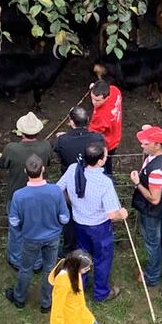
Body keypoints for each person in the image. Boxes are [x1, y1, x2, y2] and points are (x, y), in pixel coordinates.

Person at [57, 142, 128, 302]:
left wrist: (70, 202)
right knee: (102, 258)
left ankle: (79, 288)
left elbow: (57, 189)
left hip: (79, 223)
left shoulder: (72, 169)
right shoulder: (104, 182)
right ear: (100, 161)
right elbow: (111, 215)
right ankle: (101, 293)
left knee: (82, 255)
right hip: (99, 227)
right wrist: (122, 214)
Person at [5, 155, 70, 310]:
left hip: (30, 238)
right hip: (53, 237)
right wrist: (57, 225)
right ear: (43, 169)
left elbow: (13, 221)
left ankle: (19, 298)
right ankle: (46, 303)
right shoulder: (55, 191)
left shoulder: (19, 195)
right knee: (49, 269)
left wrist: (22, 230)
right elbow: (65, 217)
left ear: (25, 171)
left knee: (25, 268)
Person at [0, 112, 53, 271]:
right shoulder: (45, 146)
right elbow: (49, 161)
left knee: (15, 229)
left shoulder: (11, 148)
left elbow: (2, 164)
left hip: (16, 197)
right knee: (38, 229)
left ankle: (16, 260)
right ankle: (37, 263)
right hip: (39, 196)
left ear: (21, 131)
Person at [53, 106, 106, 254]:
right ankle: (94, 246)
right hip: (93, 182)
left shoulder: (62, 141)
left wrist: (61, 137)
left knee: (70, 216)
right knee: (94, 213)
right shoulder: (97, 138)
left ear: (71, 122)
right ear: (87, 121)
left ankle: (70, 248)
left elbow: (56, 148)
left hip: (70, 184)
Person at [131, 125, 162, 286]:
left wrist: (138, 184)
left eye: (145, 143)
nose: (141, 146)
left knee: (152, 243)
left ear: (157, 145)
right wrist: (149, 130)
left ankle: (152, 276)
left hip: (152, 210)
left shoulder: (157, 171)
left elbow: (154, 198)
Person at [88, 80, 123, 172]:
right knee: (108, 161)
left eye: (98, 100)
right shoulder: (115, 90)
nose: (94, 102)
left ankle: (107, 179)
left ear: (106, 98)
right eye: (92, 98)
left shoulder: (101, 116)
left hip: (106, 144)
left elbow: (91, 134)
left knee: (101, 165)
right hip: (115, 135)